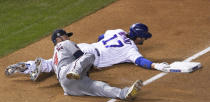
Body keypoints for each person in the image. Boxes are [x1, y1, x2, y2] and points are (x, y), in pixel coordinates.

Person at [6, 29, 143, 100]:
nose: (68, 37)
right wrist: (83, 68)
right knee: (89, 56)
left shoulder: (55, 55)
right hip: (70, 72)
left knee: (99, 86)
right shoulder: (66, 44)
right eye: (66, 35)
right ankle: (76, 71)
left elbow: (49, 66)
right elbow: (81, 57)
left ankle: (124, 93)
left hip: (68, 87)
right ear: (59, 38)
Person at [5, 23, 170, 81]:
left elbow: (101, 36)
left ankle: (30, 65)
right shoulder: (130, 49)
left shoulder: (117, 31)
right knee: (66, 73)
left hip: (84, 46)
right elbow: (141, 62)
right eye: (144, 38)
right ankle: (36, 67)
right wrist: (155, 65)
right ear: (139, 37)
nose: (145, 40)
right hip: (87, 58)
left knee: (52, 63)